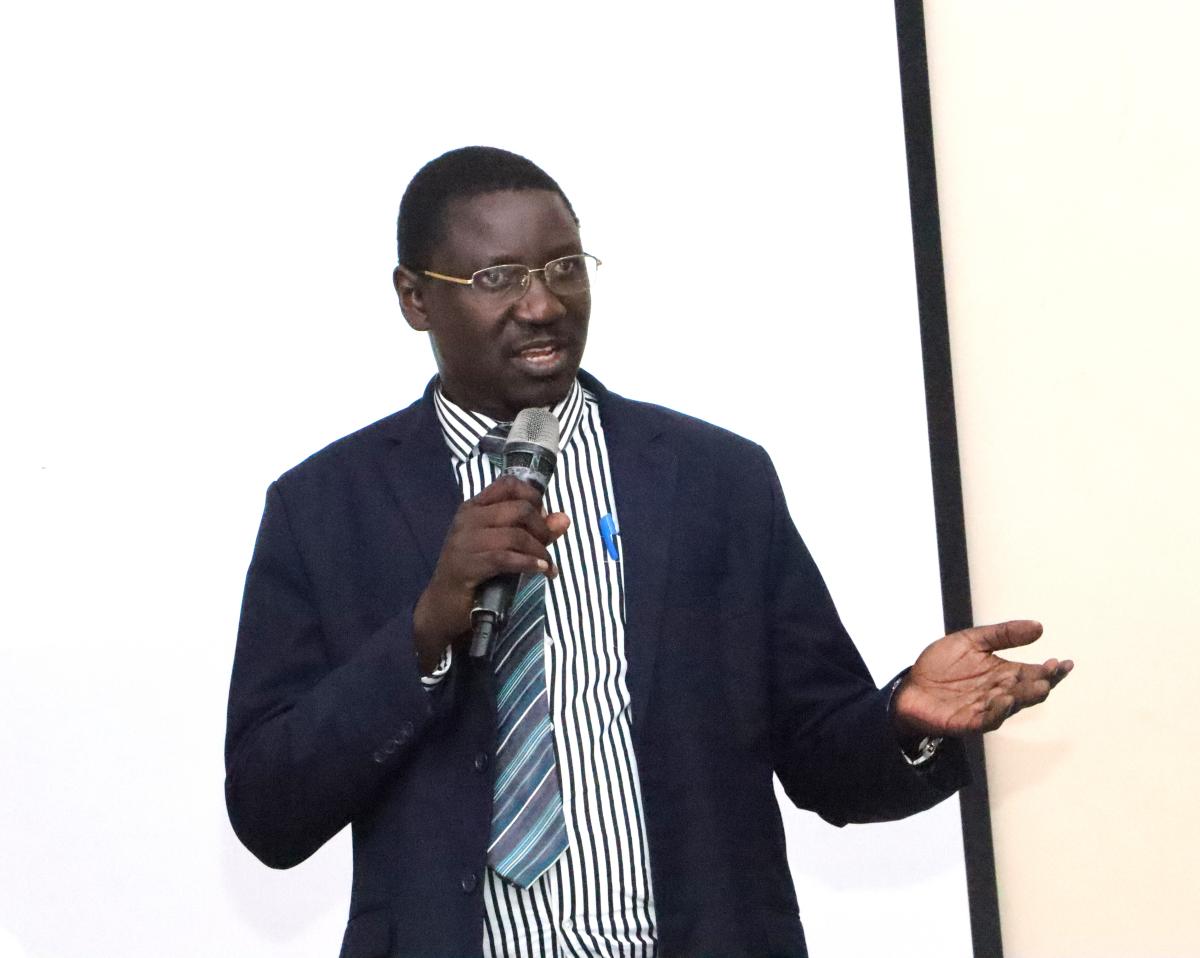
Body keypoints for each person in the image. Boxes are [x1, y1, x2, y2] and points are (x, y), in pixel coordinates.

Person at [224, 146, 1072, 958]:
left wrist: (905, 720)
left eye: (564, 265)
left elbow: (822, 753)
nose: (543, 303)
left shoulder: (714, 479)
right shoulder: (323, 510)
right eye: (498, 278)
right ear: (414, 298)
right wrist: (423, 634)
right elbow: (270, 809)